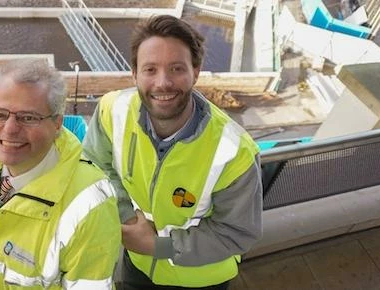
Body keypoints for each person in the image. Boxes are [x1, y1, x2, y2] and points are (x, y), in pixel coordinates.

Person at [83, 15, 262, 289]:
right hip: (137, 264)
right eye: (150, 69)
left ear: (196, 72)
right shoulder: (112, 111)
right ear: (134, 74)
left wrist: (159, 246)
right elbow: (95, 166)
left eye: (177, 69)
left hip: (200, 279)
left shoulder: (233, 151)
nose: (163, 82)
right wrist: (129, 220)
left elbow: (236, 233)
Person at [0, 58, 121, 290]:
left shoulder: (90, 205)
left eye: (28, 118)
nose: (10, 129)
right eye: (0, 114)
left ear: (57, 124)